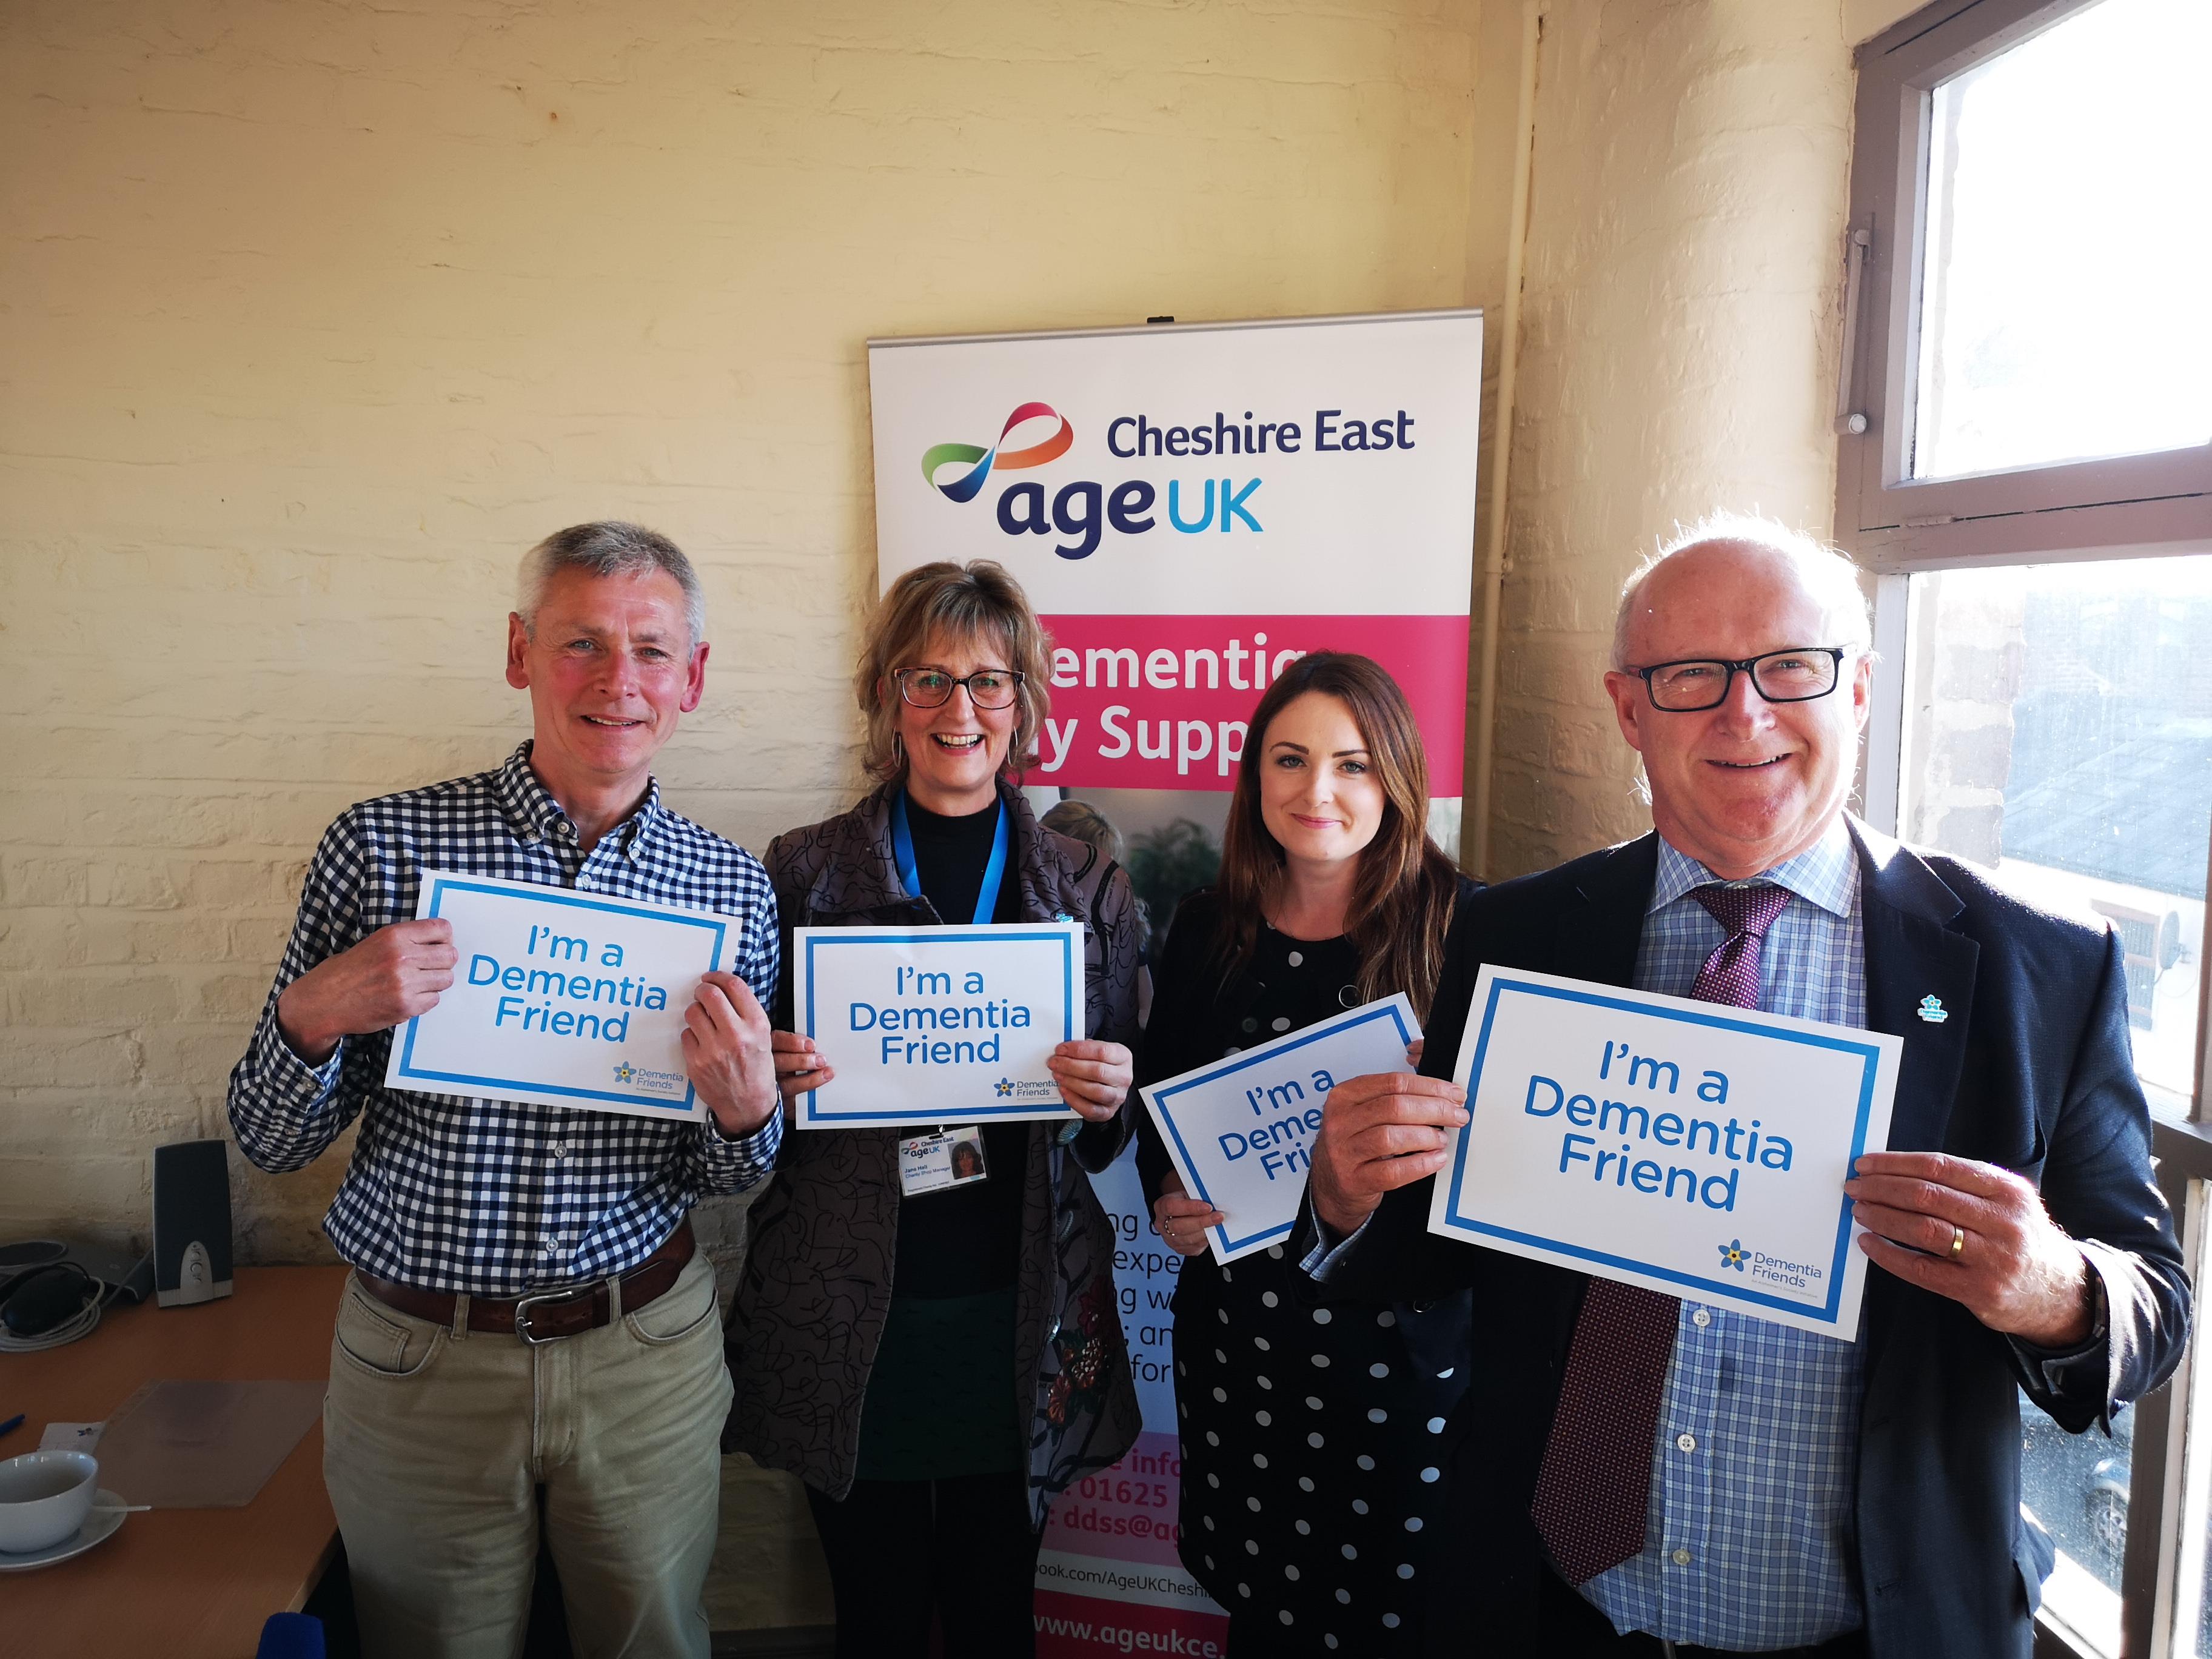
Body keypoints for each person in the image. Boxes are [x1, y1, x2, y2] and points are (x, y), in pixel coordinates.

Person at [1295, 517, 2191, 1658]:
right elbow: (1437, 1250)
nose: (1744, 712)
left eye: (1789, 667)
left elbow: (2153, 1306)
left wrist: (2055, 1286)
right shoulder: (1516, 933)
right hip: (1542, 1611)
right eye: (1690, 677)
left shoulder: (2043, 966)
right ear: (1629, 708)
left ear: (1859, 688)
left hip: (1878, 1632)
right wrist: (1347, 1198)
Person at [227, 523, 782, 1659]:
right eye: (582, 643)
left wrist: (744, 1112)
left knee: (656, 1643)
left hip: (645, 1362)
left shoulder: (732, 889)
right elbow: (269, 1142)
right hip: (422, 1368)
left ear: (695, 676)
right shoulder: (383, 846)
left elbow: (729, 1175)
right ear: (521, 653)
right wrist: (313, 1016)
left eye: (650, 648)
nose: (618, 680)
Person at [722, 560, 1144, 1658]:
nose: (961, 710)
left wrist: (1108, 1101)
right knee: (875, 1612)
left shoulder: (1087, 882)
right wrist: (765, 1074)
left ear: (1024, 702)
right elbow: (748, 1127)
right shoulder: (804, 872)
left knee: (999, 1608)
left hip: (1019, 1309)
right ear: (885, 697)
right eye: (928, 679)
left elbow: (1112, 1139)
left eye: (990, 682)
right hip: (856, 1314)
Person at [1135, 652, 1478, 1655]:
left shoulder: (1468, 932)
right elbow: (1170, 1113)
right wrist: (1171, 1197)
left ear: (1398, 780)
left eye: (1353, 765)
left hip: (1395, 1368)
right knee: (1262, 1619)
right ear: (1254, 777)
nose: (1317, 791)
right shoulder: (1207, 928)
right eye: (1290, 760)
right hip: (1242, 1352)